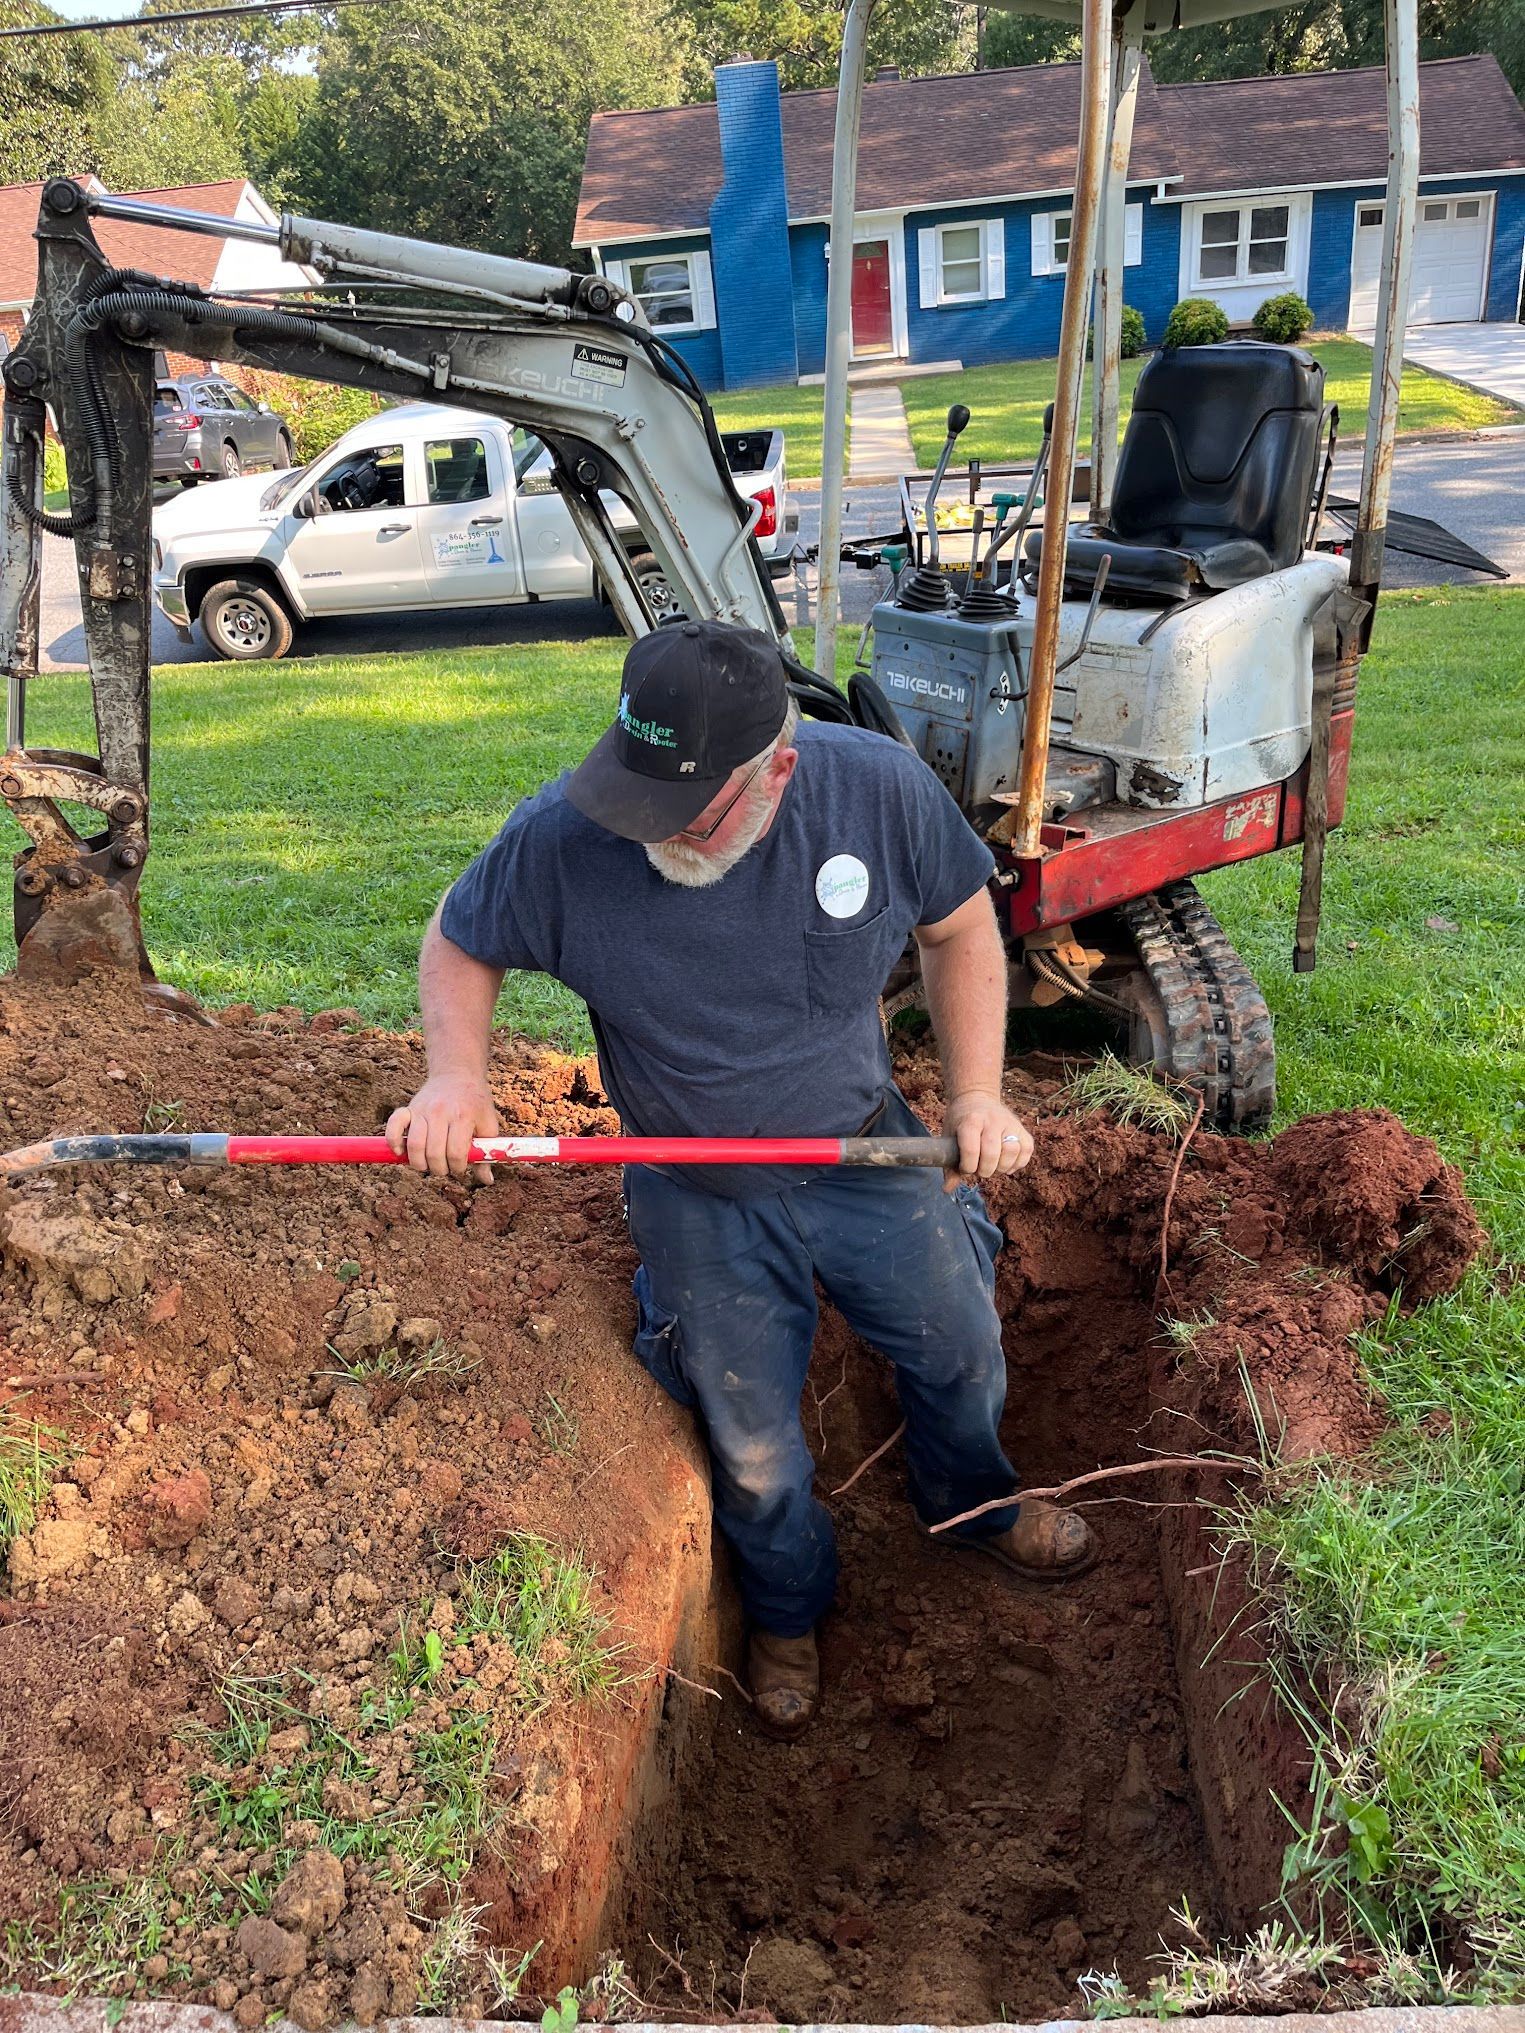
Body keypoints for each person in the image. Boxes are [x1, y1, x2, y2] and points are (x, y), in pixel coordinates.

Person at [388, 619, 1097, 1738]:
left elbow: (961, 927)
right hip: (695, 1185)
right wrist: (453, 1080)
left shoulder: (874, 791)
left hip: (862, 1151)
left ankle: (970, 1504)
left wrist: (972, 1096)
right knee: (752, 1440)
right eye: (636, 793)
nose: (648, 828)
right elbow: (458, 938)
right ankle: (783, 1611)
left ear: (779, 763)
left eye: (685, 807)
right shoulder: (569, 835)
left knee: (959, 1347)